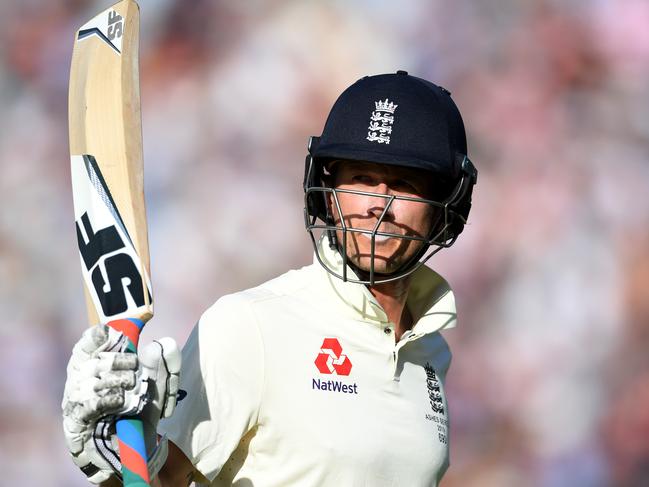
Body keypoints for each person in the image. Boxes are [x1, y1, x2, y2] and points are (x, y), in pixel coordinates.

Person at [62, 70, 477, 487]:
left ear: (444, 207)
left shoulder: (431, 352)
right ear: (328, 195)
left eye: (404, 185)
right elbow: (163, 480)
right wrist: (115, 460)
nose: (378, 206)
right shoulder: (250, 324)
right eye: (362, 179)